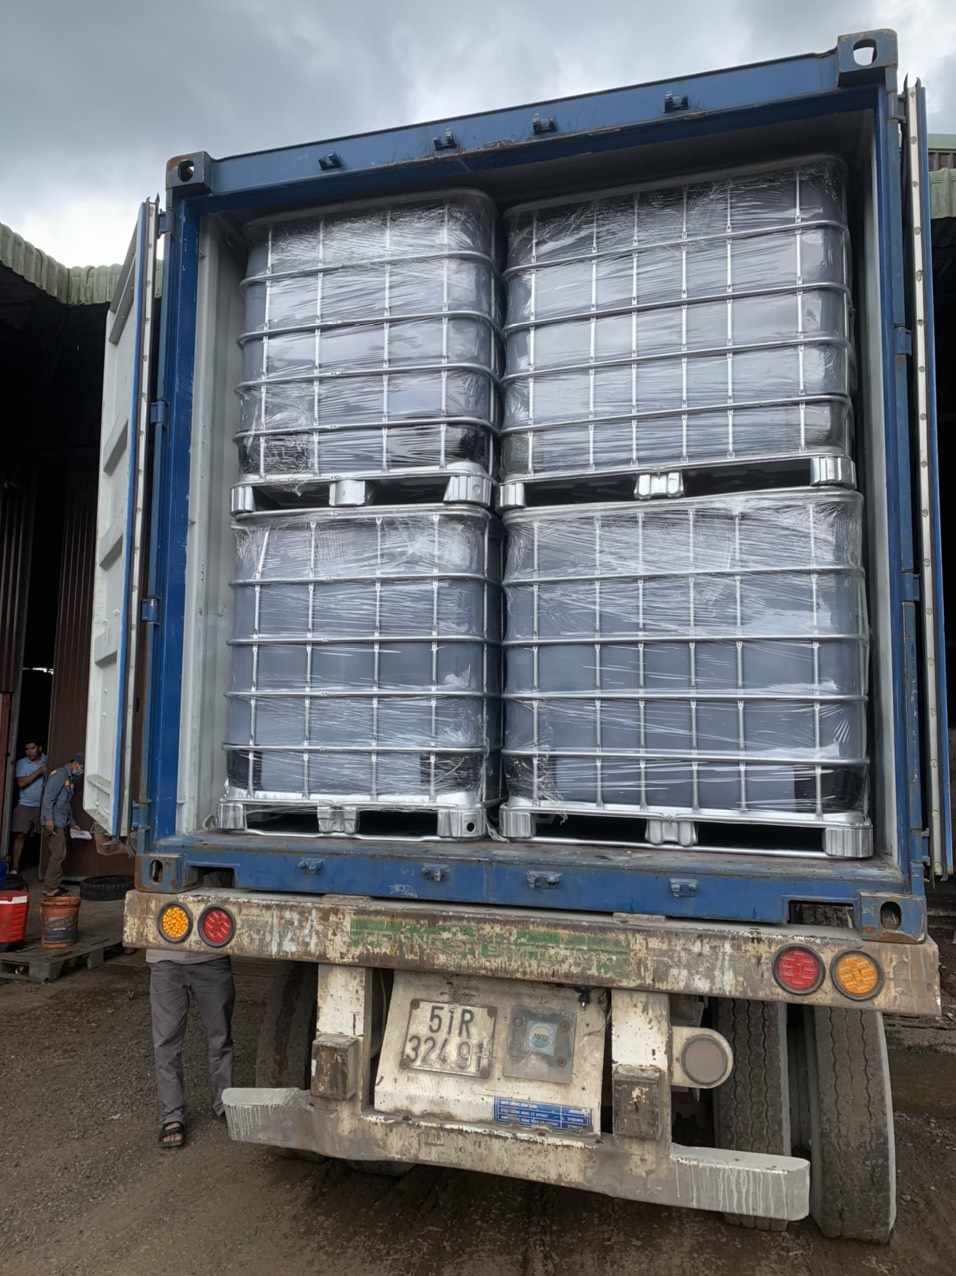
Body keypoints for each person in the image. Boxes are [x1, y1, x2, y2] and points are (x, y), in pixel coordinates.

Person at [148, 947, 235, 1149]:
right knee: (166, 1041)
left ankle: (224, 1101)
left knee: (221, 1035)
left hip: (212, 955)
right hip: (164, 958)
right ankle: (172, 1115)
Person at [39, 753, 84, 897]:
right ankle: (50, 888)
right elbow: (48, 798)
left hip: (60, 821)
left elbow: (66, 804)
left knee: (59, 854)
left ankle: (54, 886)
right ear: (75, 763)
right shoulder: (59, 775)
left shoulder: (69, 778)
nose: (82, 771)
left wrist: (72, 823)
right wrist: (48, 820)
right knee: (58, 854)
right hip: (53, 822)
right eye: (82, 767)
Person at [9, 740, 47, 877]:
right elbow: (21, 783)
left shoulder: (48, 759)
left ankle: (43, 869)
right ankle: (15, 868)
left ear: (40, 748)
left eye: (32, 748)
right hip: (25, 804)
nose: (29, 752)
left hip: (43, 806)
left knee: (44, 837)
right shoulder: (22, 763)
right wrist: (40, 771)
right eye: (27, 749)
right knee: (20, 835)